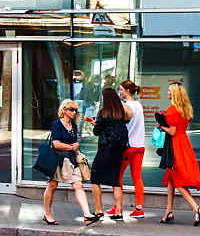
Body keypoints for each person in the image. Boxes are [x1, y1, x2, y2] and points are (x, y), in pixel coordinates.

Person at [43, 99, 100, 226]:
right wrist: (70, 147)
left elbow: (74, 141)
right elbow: (56, 144)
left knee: (78, 185)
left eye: (75, 110)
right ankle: (47, 215)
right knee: (52, 185)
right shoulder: (57, 124)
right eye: (71, 109)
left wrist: (76, 144)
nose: (74, 112)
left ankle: (87, 215)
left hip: (71, 159)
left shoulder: (74, 126)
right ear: (64, 110)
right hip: (58, 159)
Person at [156, 82, 200, 225]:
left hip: (175, 146)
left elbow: (171, 131)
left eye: (170, 91)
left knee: (177, 180)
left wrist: (161, 125)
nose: (167, 93)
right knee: (172, 179)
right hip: (184, 143)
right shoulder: (186, 109)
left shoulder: (172, 109)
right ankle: (168, 212)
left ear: (175, 93)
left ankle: (196, 208)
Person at [84, 87, 129, 221]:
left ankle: (99, 210)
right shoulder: (120, 112)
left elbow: (97, 132)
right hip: (118, 150)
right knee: (115, 181)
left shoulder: (102, 113)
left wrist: (95, 123)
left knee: (95, 178)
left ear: (106, 99)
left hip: (105, 149)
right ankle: (119, 212)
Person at [105, 80, 146, 219]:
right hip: (140, 146)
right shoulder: (139, 105)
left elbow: (119, 126)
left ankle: (118, 208)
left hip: (128, 147)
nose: (120, 92)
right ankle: (139, 208)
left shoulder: (126, 107)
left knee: (118, 176)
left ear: (128, 91)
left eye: (121, 89)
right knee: (137, 176)